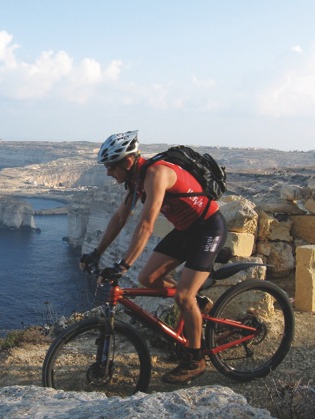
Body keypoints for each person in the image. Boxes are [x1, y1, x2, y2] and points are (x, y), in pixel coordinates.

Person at [80, 130, 227, 384]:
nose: (108, 173)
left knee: (182, 295)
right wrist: (96, 253)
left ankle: (195, 360)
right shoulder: (135, 180)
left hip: (208, 228)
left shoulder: (157, 174)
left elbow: (147, 225)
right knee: (148, 278)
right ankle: (199, 304)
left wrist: (123, 266)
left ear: (127, 162)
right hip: (185, 231)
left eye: (111, 167)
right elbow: (119, 219)